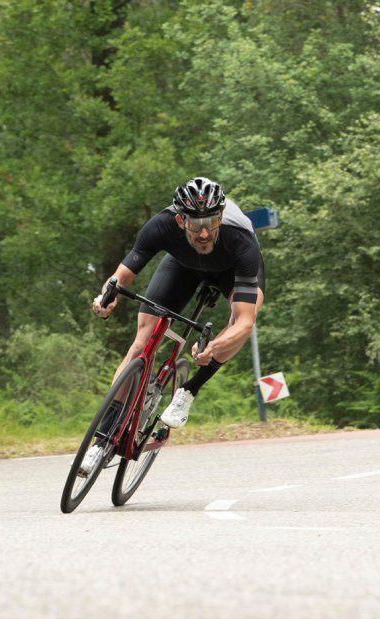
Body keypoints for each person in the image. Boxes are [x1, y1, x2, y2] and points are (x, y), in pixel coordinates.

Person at [80, 176, 265, 476]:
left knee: (242, 319)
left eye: (211, 222)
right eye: (195, 224)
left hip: (232, 269)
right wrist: (107, 297)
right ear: (180, 220)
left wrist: (215, 346)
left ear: (220, 216)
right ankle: (101, 440)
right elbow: (122, 274)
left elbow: (245, 322)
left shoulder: (240, 239)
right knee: (141, 342)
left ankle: (188, 391)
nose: (204, 232)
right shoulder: (161, 225)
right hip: (183, 266)